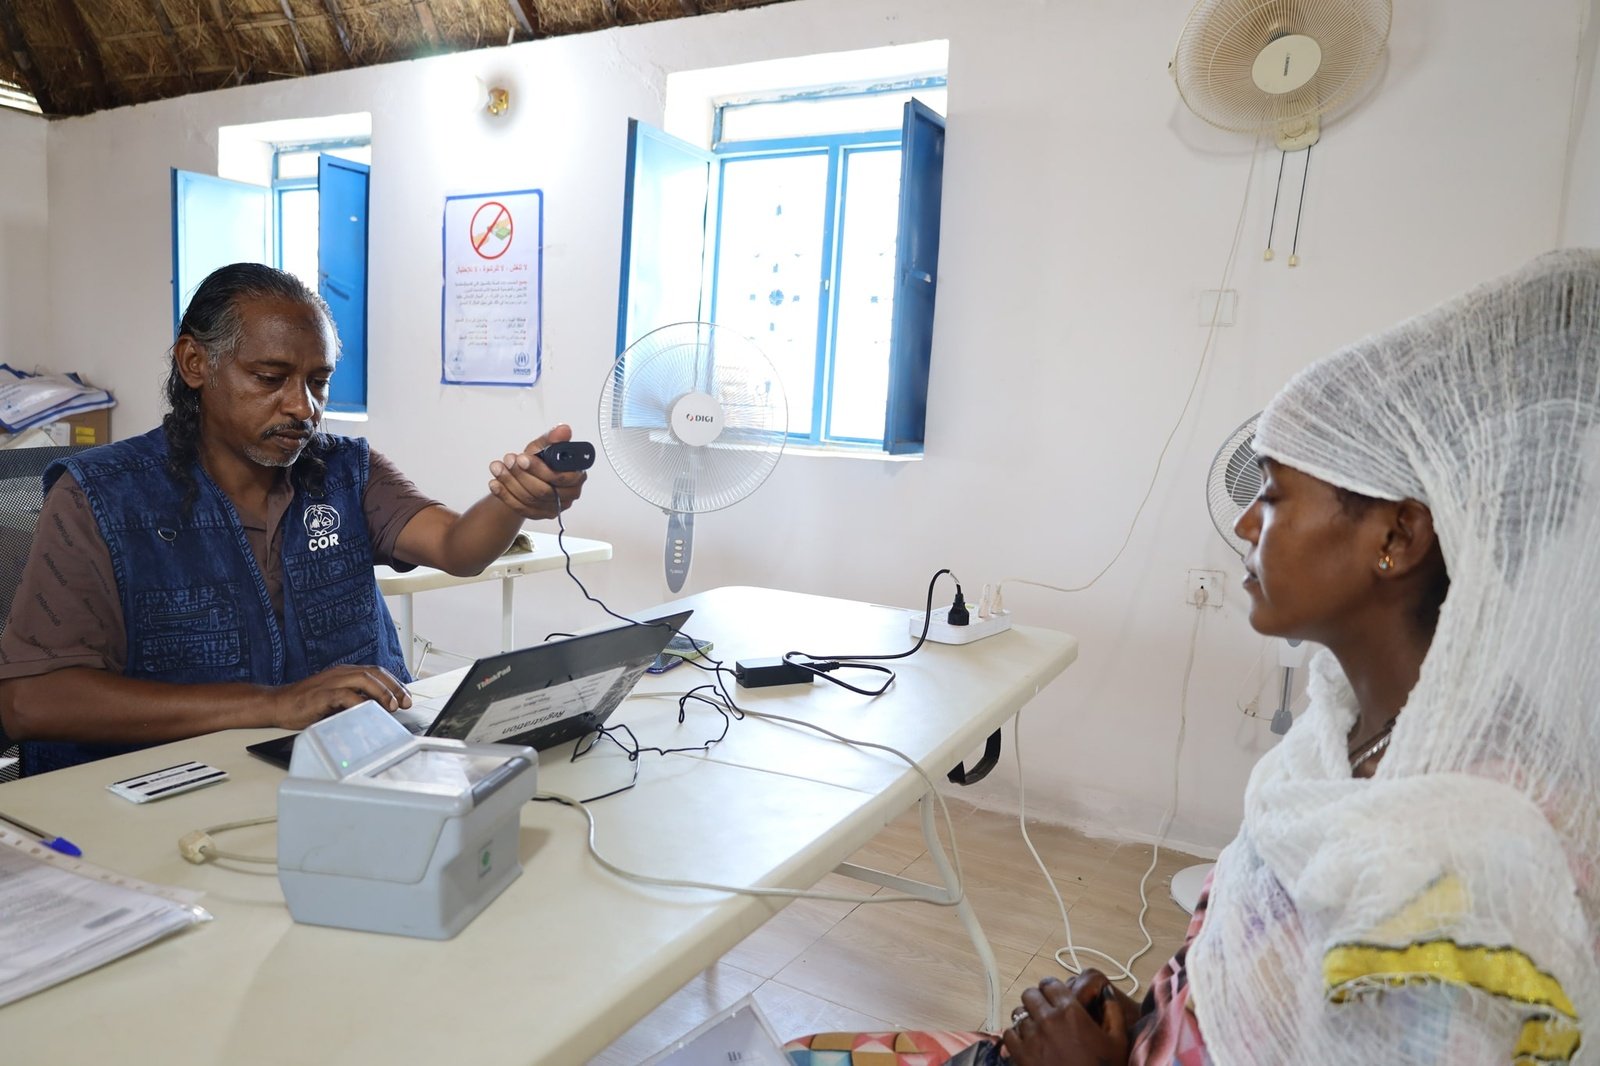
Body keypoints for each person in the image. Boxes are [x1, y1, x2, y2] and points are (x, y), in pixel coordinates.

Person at [790, 250, 1600, 1065]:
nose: (1246, 526)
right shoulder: (1345, 733)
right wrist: (1142, 1012)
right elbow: (1245, 991)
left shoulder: (1471, 861)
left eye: (1276, 494)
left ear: (1395, 537)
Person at [0, 263, 588, 775]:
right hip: (181, 799)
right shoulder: (102, 497)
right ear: (195, 363)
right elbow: (31, 701)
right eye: (270, 377)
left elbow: (460, 548)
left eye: (318, 382)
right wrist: (272, 705)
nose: (302, 407)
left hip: (339, 774)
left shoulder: (344, 470)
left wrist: (516, 501)